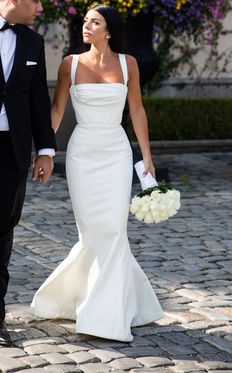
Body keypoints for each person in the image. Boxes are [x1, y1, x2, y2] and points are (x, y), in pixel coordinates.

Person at [31, 4, 163, 342]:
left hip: (116, 153)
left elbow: (136, 109)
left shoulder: (128, 63)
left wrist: (146, 157)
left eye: (95, 22)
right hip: (82, 154)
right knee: (92, 232)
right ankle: (81, 296)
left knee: (115, 230)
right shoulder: (69, 65)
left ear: (109, 29)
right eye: (86, 21)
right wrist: (45, 152)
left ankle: (105, 315)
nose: (86, 26)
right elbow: (57, 109)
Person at [0, 0, 56, 346]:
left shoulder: (33, 43)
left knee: (3, 232)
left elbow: (38, 100)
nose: (39, 6)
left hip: (12, 152)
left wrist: (46, 151)